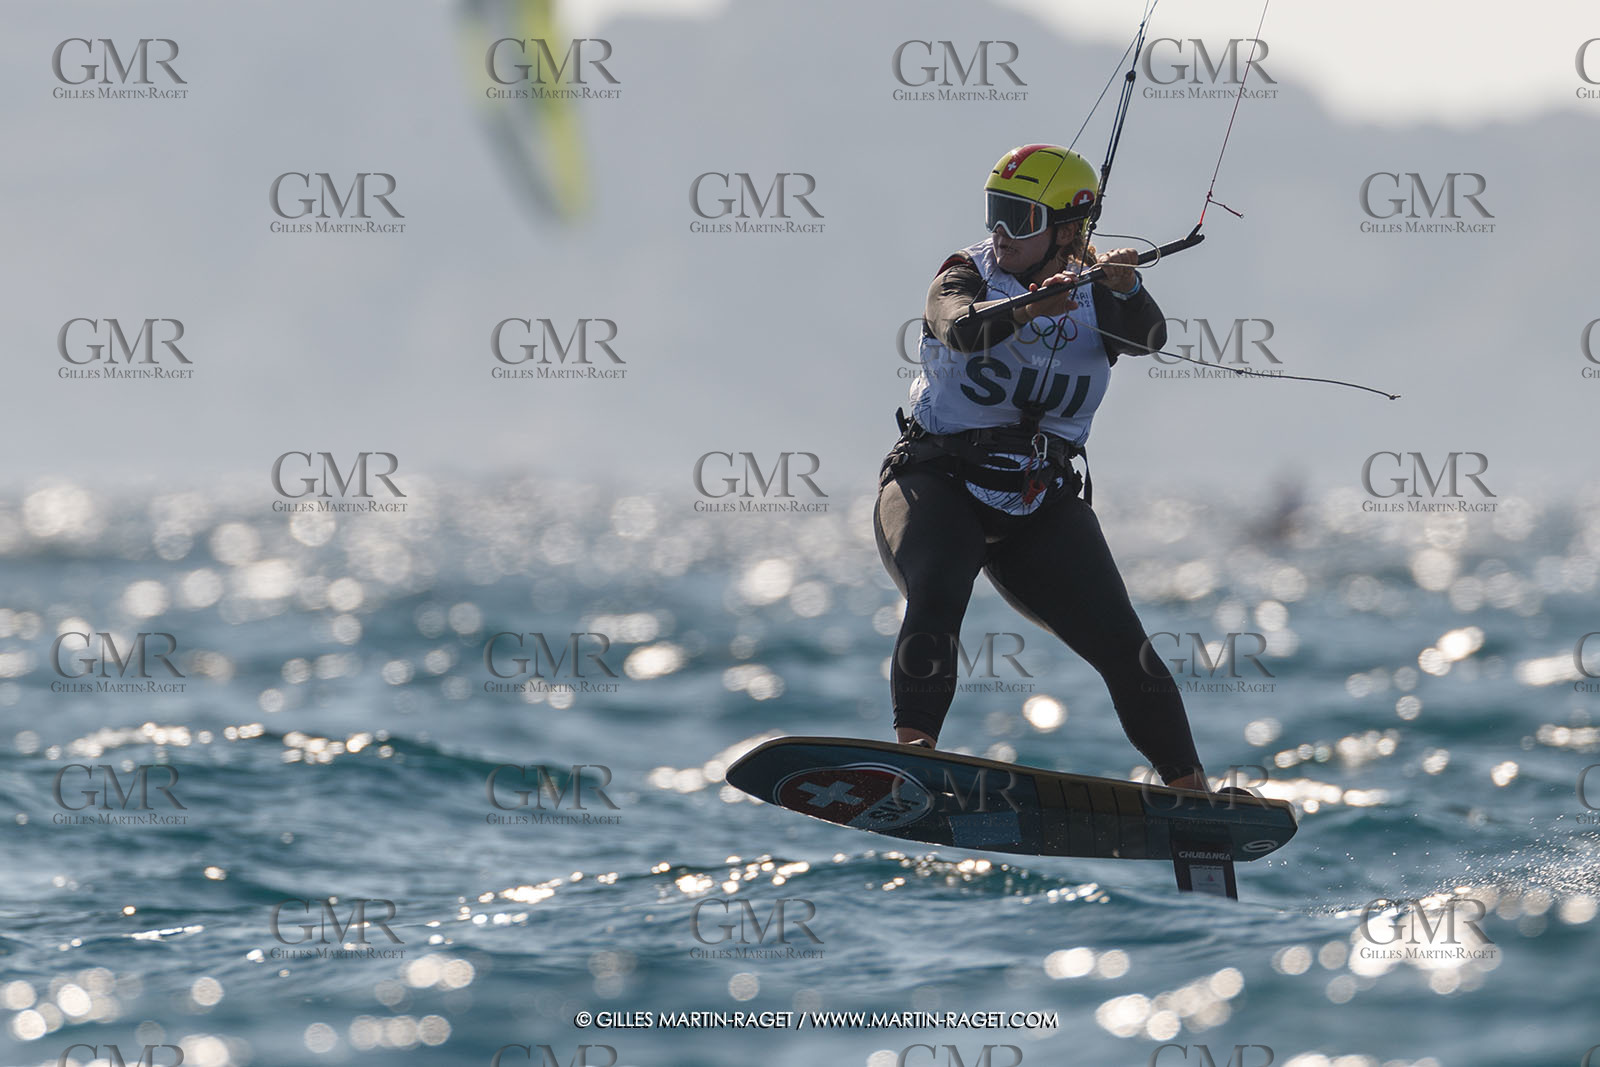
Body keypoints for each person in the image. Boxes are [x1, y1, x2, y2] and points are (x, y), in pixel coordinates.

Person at [874, 143, 1208, 792]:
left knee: (1125, 644)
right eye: (996, 212)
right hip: (934, 482)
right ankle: (913, 757)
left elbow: (1150, 337)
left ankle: (1190, 794)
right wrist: (1028, 308)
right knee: (940, 588)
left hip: (1037, 500)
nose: (1001, 234)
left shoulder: (1098, 293)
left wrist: (1127, 285)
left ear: (1067, 230)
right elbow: (959, 328)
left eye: (1020, 219)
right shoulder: (963, 273)